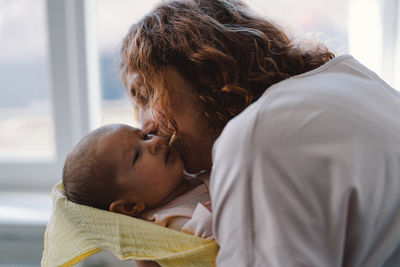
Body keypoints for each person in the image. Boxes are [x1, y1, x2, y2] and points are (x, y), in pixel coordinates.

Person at [120, 0, 400, 266]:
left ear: (203, 68)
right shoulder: (348, 76)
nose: (145, 127)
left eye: (145, 95)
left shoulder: (255, 139)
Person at [62, 124, 213, 241]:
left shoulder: (184, 173)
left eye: (145, 136)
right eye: (136, 156)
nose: (155, 142)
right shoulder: (173, 224)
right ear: (129, 207)